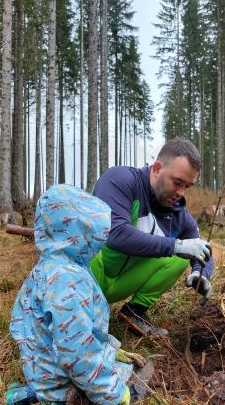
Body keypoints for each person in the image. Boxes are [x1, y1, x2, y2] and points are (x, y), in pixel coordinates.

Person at [7, 184, 146, 405]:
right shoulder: (67, 280)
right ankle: (58, 404)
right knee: (126, 381)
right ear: (80, 234)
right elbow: (76, 353)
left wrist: (110, 350)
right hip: (59, 382)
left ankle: (43, 389)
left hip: (42, 369)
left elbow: (44, 329)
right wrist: (113, 392)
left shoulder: (50, 266)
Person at [90, 137, 213, 337]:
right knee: (178, 248)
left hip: (119, 282)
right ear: (156, 169)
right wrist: (177, 245)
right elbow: (114, 233)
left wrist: (201, 273)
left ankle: (134, 312)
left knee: (180, 258)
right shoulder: (121, 180)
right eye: (177, 182)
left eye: (187, 186)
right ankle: (81, 310)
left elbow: (202, 248)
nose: (181, 193)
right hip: (88, 276)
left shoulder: (179, 213)